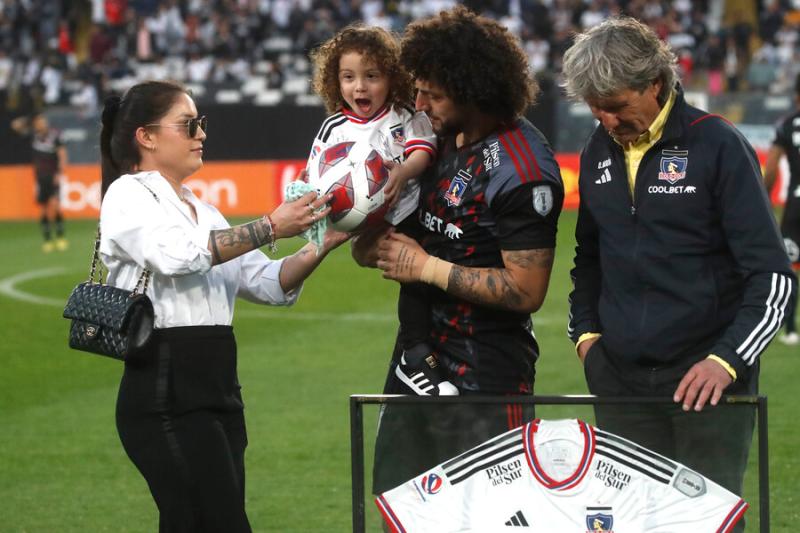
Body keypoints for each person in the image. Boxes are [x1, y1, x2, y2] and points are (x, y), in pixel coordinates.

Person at [562, 16, 794, 525]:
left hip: (705, 386)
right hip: (618, 381)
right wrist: (588, 338)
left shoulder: (719, 145)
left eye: (617, 106)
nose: (606, 121)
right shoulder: (598, 149)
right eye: (595, 108)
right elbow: (588, 263)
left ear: (654, 84)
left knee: (702, 524)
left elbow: (773, 276)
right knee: (626, 522)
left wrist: (726, 360)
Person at [98, 80, 348, 532]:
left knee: (193, 523)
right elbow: (176, 256)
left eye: (202, 124)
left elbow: (269, 283)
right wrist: (271, 225)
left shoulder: (204, 210)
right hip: (164, 389)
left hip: (218, 387)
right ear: (147, 136)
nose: (201, 134)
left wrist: (323, 242)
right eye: (189, 124)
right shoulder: (127, 194)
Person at [356, 6, 564, 493]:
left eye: (435, 92)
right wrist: (375, 245)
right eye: (419, 87)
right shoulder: (438, 139)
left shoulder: (523, 168)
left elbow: (526, 289)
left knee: (489, 511)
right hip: (416, 356)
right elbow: (408, 235)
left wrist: (425, 266)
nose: (421, 101)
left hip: (487, 370)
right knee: (399, 499)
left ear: (475, 90)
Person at [307, 24, 451, 395]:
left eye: (371, 76)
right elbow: (315, 174)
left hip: (411, 213)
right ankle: (418, 353)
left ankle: (418, 352)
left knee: (416, 276)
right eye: (349, 77)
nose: (360, 87)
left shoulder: (405, 114)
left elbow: (423, 150)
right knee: (412, 277)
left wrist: (403, 170)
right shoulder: (332, 128)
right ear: (333, 81)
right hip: (365, 225)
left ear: (391, 77)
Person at [764, 72, 800, 346]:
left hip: (796, 204)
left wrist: (763, 199)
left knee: (790, 264)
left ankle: (789, 329)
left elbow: (773, 166)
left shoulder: (786, 124)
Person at [10, 113, 68, 252]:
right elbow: (15, 126)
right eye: (39, 122)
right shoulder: (34, 136)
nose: (42, 124)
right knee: (43, 208)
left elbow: (62, 154)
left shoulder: (55, 136)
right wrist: (28, 120)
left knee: (55, 206)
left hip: (52, 175)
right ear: (36, 124)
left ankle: (60, 237)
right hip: (40, 177)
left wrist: (59, 173)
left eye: (43, 121)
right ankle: (47, 240)